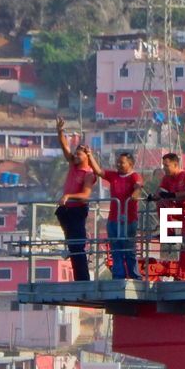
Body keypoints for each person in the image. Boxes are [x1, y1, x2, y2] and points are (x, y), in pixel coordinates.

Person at [54, 117, 99, 281]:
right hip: (67, 210)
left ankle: (83, 279)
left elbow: (85, 195)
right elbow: (64, 147)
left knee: (77, 245)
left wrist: (68, 196)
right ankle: (79, 277)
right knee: (73, 245)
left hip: (78, 210)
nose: (75, 156)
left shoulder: (88, 174)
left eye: (79, 154)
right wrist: (60, 131)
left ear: (87, 156)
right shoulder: (73, 164)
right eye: (76, 153)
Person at [155, 152, 185, 280]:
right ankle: (169, 231)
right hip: (178, 210)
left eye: (166, 165)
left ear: (175, 164)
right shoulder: (166, 178)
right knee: (161, 203)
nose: (164, 168)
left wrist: (173, 195)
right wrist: (155, 197)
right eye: (163, 165)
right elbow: (161, 193)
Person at [100, 151, 143, 279]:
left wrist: (136, 192)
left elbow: (138, 185)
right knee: (115, 249)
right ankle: (118, 276)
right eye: (117, 162)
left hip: (128, 220)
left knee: (129, 249)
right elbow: (99, 171)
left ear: (130, 164)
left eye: (121, 162)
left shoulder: (134, 176)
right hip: (113, 219)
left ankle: (135, 277)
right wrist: (90, 155)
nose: (118, 164)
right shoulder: (114, 176)